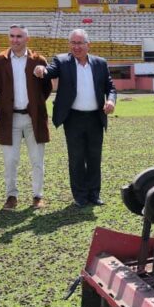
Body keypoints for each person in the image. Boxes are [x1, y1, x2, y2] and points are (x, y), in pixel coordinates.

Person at [33, 29, 117, 208]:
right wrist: (42, 69)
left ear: (88, 45)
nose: (76, 47)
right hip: (73, 119)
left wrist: (110, 100)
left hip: (95, 117)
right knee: (77, 158)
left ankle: (94, 194)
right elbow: (50, 71)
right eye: (73, 43)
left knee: (94, 157)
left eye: (80, 43)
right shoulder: (62, 61)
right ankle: (79, 195)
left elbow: (110, 87)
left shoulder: (100, 63)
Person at [0, 24, 52, 210]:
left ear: (27, 39)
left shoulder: (39, 60)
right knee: (10, 160)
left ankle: (37, 196)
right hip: (9, 118)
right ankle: (11, 196)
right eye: (12, 36)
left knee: (37, 159)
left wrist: (35, 104)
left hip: (34, 117)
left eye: (19, 36)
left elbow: (46, 88)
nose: (15, 40)